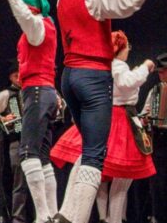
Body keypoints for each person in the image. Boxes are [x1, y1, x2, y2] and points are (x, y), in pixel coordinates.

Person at [53, 0, 162, 223]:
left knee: (87, 146)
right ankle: (75, 220)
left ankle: (65, 214)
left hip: (68, 76)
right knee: (94, 155)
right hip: (92, 76)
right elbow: (128, 1)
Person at [51, 31, 155, 223]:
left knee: (91, 163)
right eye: (128, 46)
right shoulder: (118, 66)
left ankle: (74, 214)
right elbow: (127, 82)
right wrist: (146, 67)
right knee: (120, 176)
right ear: (121, 48)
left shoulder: (102, 67)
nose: (128, 50)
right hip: (119, 119)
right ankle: (109, 219)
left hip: (104, 116)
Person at [0, 0, 58, 223]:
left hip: (37, 91)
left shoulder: (38, 25)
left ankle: (44, 215)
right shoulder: (47, 26)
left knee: (27, 153)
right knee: (42, 156)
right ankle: (53, 214)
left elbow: (25, 17)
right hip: (45, 92)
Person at [0, 61, 30, 223]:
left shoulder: (33, 91)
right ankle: (18, 218)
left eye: (22, 75)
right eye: (17, 76)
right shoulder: (6, 94)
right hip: (16, 140)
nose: (20, 79)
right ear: (11, 77)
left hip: (36, 140)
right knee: (20, 182)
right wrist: (2, 119)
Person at [141, 53, 167, 223]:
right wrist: (145, 117)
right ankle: (159, 217)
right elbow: (145, 112)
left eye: (164, 71)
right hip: (160, 139)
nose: (160, 75)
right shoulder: (156, 91)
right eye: (159, 72)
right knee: (159, 183)